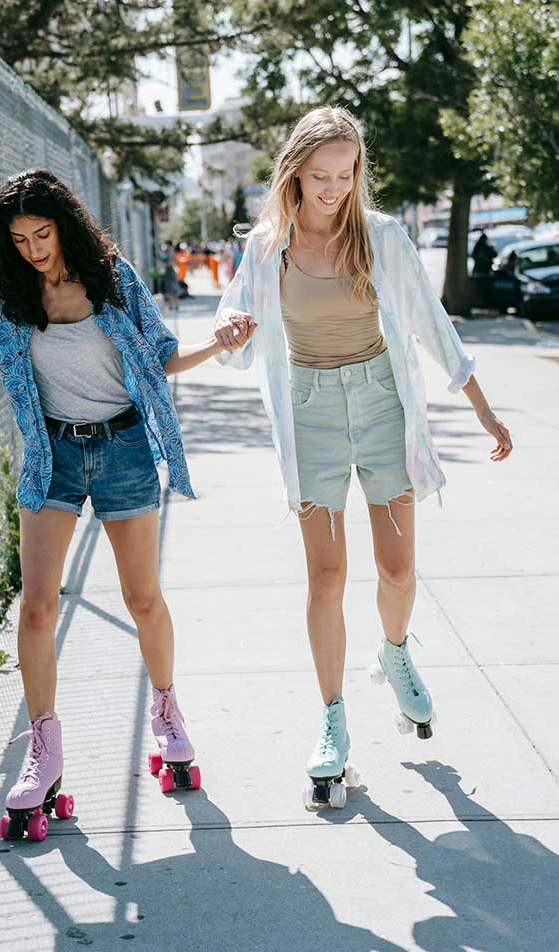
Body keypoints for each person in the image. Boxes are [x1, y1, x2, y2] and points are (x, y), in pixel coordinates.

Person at [0, 169, 231, 836]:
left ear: (65, 226)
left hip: (124, 449)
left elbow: (160, 357)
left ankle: (167, 712)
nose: (33, 250)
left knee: (142, 598)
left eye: (42, 235)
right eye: (19, 240)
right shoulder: (8, 295)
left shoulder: (112, 279)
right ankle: (44, 747)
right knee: (38, 605)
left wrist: (219, 344)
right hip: (52, 456)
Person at [212, 107, 513, 810]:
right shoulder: (269, 247)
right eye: (321, 175)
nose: (334, 188)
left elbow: (431, 323)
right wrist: (229, 329)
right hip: (311, 411)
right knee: (326, 577)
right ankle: (332, 721)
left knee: (397, 567)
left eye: (346, 174)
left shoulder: (381, 237)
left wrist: (482, 407)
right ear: (295, 172)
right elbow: (235, 322)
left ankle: (395, 649)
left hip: (381, 405)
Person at [160, 240, 180, 312]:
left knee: (171, 290)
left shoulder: (170, 252)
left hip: (170, 272)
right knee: (172, 290)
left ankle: (172, 306)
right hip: (171, 272)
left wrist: (164, 266)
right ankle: (174, 305)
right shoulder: (170, 251)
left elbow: (170, 262)